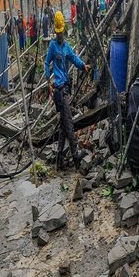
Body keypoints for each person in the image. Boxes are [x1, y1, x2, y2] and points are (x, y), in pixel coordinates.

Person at [44, 10, 90, 170]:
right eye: (57, 32)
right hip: (58, 91)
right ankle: (75, 154)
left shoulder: (66, 47)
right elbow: (46, 63)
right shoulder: (52, 46)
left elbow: (74, 58)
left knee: (64, 125)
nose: (59, 34)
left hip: (65, 88)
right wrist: (48, 79)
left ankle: (59, 159)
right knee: (69, 122)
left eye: (60, 32)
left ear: (63, 30)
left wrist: (83, 66)